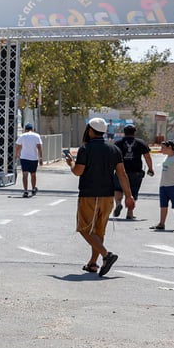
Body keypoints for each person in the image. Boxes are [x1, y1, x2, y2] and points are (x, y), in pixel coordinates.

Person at [65, 116, 132, 277]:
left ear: (89, 130)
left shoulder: (86, 149)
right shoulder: (114, 149)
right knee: (99, 230)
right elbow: (122, 174)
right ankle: (93, 263)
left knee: (84, 228)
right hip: (107, 196)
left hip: (89, 195)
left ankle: (106, 255)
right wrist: (129, 196)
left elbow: (78, 172)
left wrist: (71, 163)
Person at [112, 125, 155, 219]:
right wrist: (150, 169)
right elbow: (147, 157)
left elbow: (112, 157)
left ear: (124, 132)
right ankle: (130, 213)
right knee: (133, 192)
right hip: (136, 172)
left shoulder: (118, 143)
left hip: (120, 171)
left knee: (118, 189)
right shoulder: (140, 142)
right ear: (134, 132)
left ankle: (118, 203)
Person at [151, 140, 174, 231]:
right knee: (163, 206)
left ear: (169, 147)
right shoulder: (166, 158)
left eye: (163, 148)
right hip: (163, 186)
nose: (161, 149)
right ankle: (161, 223)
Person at [16, 123, 43, 198]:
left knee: (25, 174)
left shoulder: (22, 136)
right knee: (33, 174)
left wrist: (16, 155)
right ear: (33, 129)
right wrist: (40, 158)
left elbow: (18, 146)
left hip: (24, 157)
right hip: (33, 158)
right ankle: (33, 188)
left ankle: (25, 191)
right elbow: (39, 147)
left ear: (25, 129)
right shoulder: (36, 136)